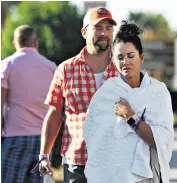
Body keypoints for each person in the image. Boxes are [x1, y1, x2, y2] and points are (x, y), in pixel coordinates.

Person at [84, 21, 174, 183]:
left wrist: (130, 116)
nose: (126, 62)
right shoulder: (105, 94)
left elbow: (162, 140)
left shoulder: (158, 91)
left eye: (130, 56)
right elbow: (94, 139)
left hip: (145, 177)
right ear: (113, 61)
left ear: (142, 57)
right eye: (120, 57)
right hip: (112, 177)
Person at [38, 7, 118, 183]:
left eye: (108, 28)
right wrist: (44, 154)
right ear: (84, 32)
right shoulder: (65, 69)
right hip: (76, 162)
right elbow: (54, 114)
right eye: (97, 28)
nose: (104, 33)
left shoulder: (123, 71)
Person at [1, 25, 56, 183]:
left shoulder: (7, 65)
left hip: (15, 139)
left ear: (14, 43)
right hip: (44, 143)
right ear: (35, 42)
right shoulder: (51, 67)